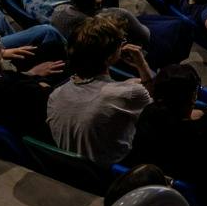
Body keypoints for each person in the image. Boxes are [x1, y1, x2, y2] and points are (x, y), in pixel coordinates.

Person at [46, 14, 154, 164]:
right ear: (109, 57)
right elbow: (157, 102)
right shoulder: (128, 93)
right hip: (117, 168)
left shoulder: (55, 95)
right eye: (121, 43)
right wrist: (142, 64)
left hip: (75, 173)